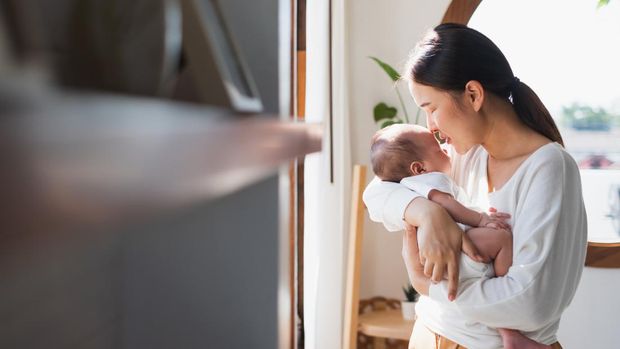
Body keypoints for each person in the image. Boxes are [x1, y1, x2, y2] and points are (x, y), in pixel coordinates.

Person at [363, 23, 587, 349]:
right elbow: (375, 194)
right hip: (429, 333)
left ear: (473, 94)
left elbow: (531, 304)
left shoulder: (549, 168)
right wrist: (426, 212)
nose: (432, 128)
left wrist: (428, 286)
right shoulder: (466, 154)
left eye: (431, 109)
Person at [370, 123, 553, 349]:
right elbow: (447, 203)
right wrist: (481, 219)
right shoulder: (431, 181)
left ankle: (507, 330)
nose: (445, 149)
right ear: (419, 168)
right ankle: (509, 326)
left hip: (440, 269)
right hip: (456, 251)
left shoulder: (407, 183)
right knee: (502, 239)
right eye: (438, 149)